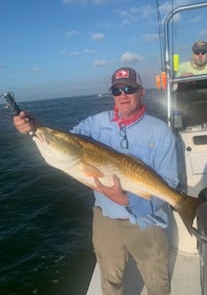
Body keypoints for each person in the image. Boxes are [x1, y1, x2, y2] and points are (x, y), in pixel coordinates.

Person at [13, 67, 179, 295]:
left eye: (129, 89)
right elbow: (67, 139)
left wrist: (125, 200)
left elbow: (169, 184)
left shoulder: (161, 132)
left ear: (141, 91)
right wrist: (35, 126)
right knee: (110, 281)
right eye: (116, 90)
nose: (122, 95)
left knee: (157, 282)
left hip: (147, 221)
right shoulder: (94, 123)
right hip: (106, 219)